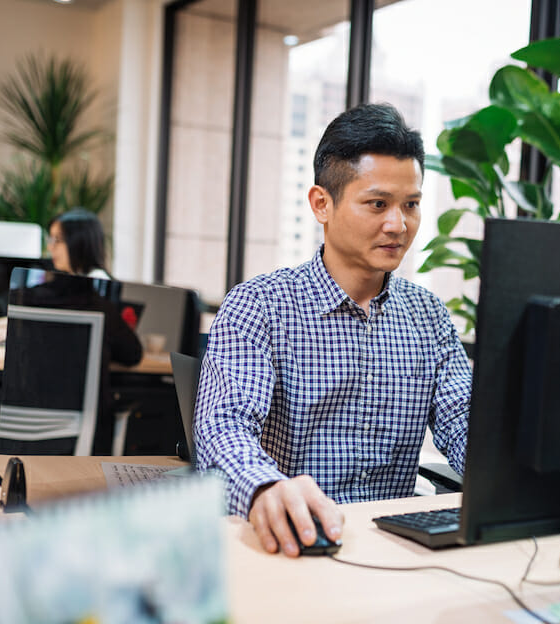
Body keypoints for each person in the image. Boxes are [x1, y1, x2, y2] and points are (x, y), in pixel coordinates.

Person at [194, 103, 471, 557]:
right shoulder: (260, 306)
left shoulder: (429, 316)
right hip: (293, 540)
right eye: (377, 204)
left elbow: (463, 422)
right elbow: (224, 427)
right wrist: (264, 489)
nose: (398, 225)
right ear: (322, 204)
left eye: (412, 205)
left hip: (393, 546)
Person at [0, 208, 112, 339]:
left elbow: (63, 331)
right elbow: (34, 318)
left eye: (57, 240)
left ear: (79, 242)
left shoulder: (96, 282)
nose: (50, 247)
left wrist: (14, 334)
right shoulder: (69, 281)